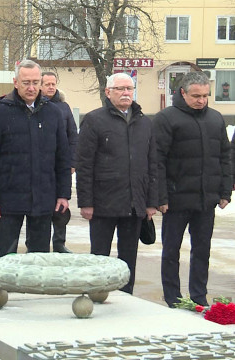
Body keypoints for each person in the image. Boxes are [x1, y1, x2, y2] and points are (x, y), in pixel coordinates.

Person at [154, 71, 232, 308]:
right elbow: (157, 160)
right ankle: (173, 298)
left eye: (205, 96)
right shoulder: (166, 119)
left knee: (202, 251)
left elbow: (225, 156)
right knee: (171, 251)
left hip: (205, 199)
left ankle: (199, 295)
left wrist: (225, 191)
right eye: (196, 96)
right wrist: (161, 195)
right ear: (183, 93)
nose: (201, 100)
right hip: (176, 199)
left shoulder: (216, 119)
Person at [76, 72, 158, 295]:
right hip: (103, 203)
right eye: (120, 89)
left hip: (134, 203)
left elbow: (153, 163)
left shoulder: (144, 123)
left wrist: (152, 202)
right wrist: (86, 202)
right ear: (108, 92)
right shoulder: (94, 120)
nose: (125, 93)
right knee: (100, 255)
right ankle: (97, 294)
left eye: (129, 89)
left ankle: (126, 296)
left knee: (129, 256)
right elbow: (84, 164)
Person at [0, 59, 71, 256]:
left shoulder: (52, 112)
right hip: (8, 198)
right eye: (26, 82)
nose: (31, 87)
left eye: (35, 82)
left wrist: (63, 194)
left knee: (39, 259)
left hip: (44, 197)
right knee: (7, 256)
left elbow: (62, 157)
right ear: (15, 82)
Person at [40, 71, 78, 253]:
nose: (50, 87)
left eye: (53, 84)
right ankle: (40, 241)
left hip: (61, 166)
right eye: (47, 84)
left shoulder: (64, 107)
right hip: (41, 166)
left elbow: (73, 136)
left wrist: (72, 162)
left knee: (61, 205)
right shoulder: (35, 106)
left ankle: (59, 242)